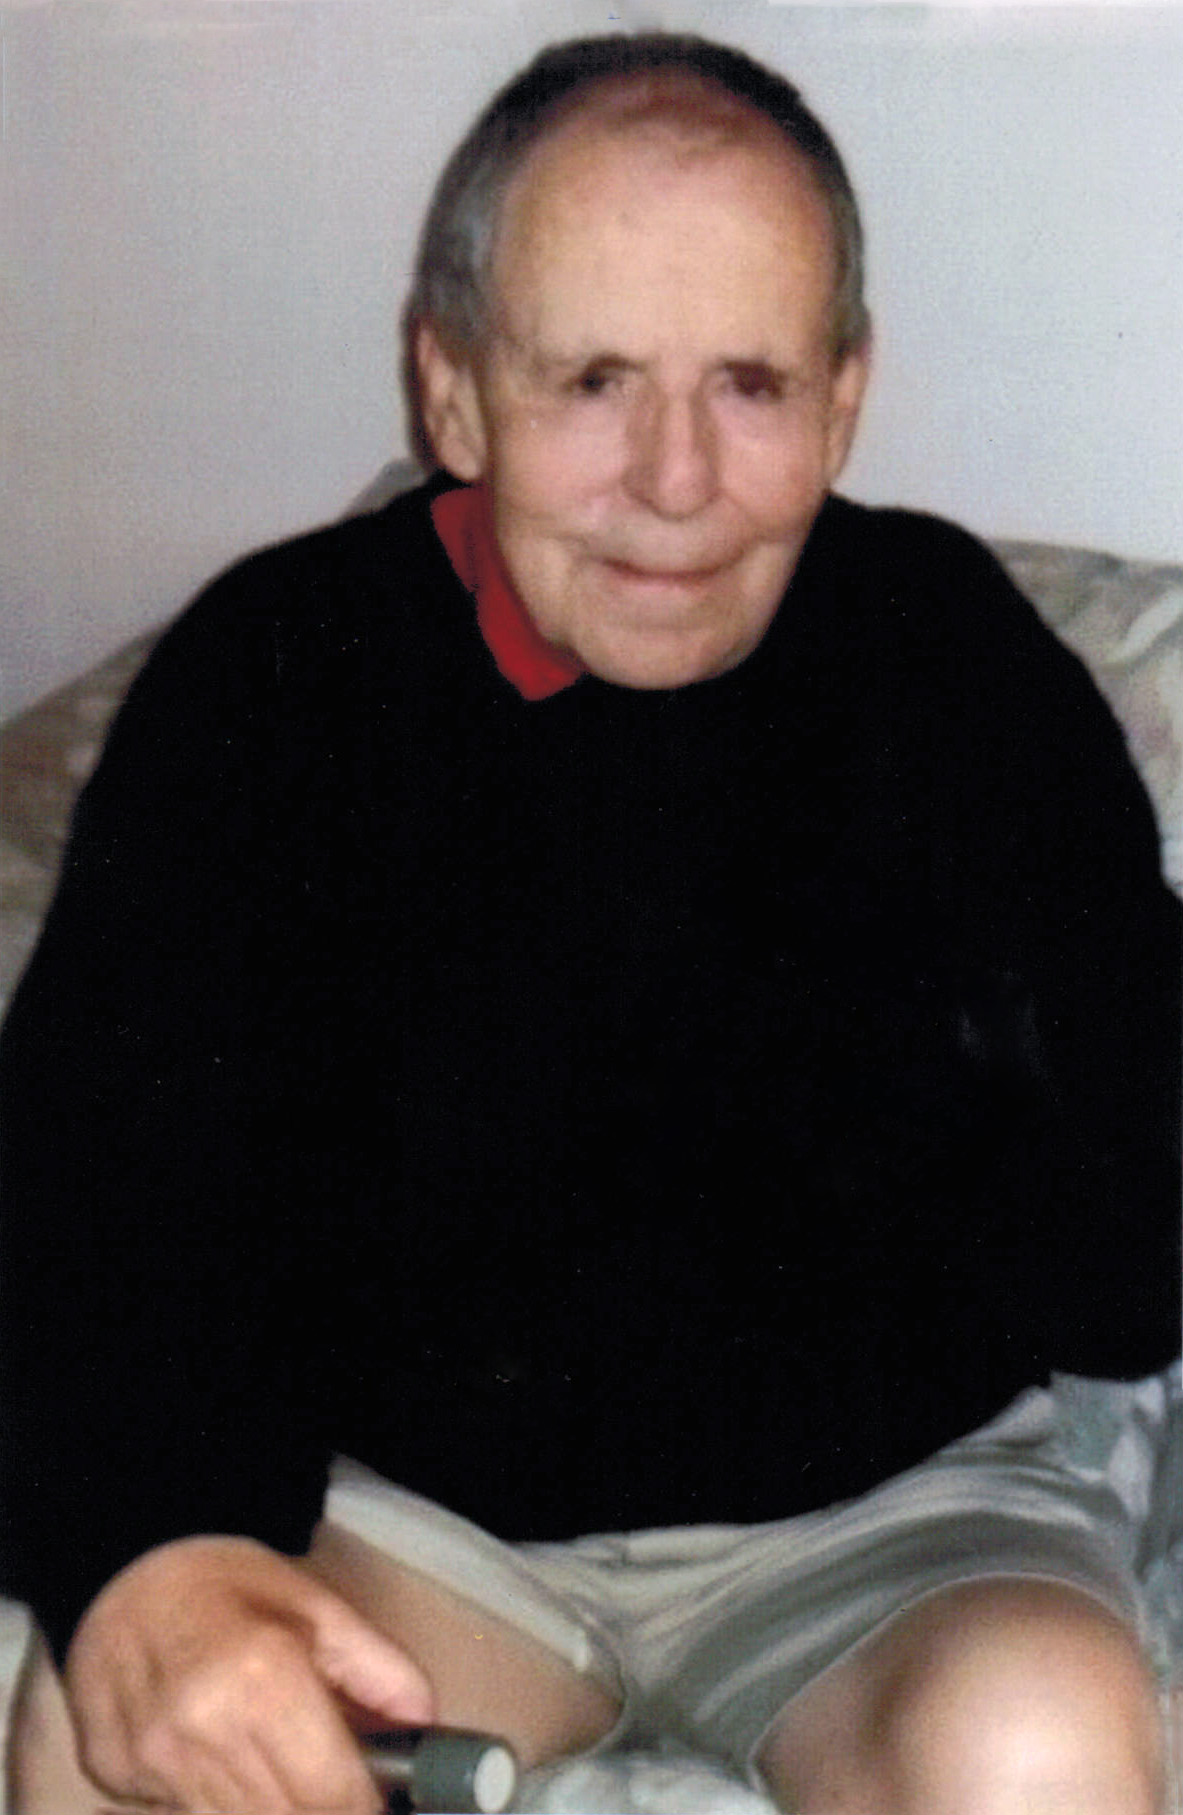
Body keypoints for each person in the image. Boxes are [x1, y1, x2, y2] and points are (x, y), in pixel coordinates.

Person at [1, 31, 1179, 1815]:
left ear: (845, 399)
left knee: (1043, 1749)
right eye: (594, 381)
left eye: (751, 385)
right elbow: (96, 1168)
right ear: (455, 390)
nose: (676, 479)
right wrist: (146, 1558)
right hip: (411, 1521)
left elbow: (1125, 1251)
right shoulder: (283, 673)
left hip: (890, 1537)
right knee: (124, 1748)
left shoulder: (949, 666)